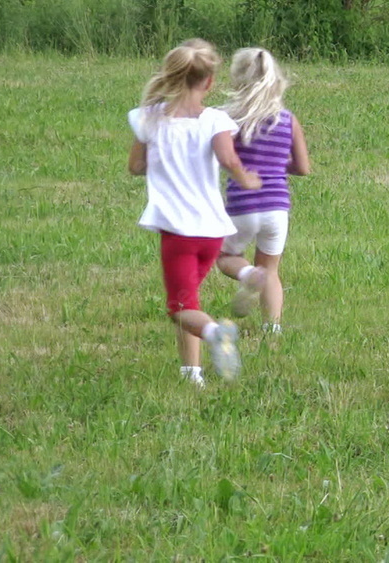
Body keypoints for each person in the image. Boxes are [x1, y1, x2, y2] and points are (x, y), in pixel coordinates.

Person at [127, 39, 262, 388]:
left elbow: (135, 167)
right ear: (209, 82)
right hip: (213, 232)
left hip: (178, 233)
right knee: (191, 300)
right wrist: (245, 177)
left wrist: (156, 158)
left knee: (179, 309)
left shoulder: (149, 118)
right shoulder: (216, 120)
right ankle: (192, 374)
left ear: (169, 76)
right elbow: (229, 160)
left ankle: (217, 334)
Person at [216, 47, 311, 335]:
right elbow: (303, 168)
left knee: (223, 256)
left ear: (238, 78)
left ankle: (247, 274)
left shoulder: (227, 117)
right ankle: (272, 329)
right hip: (276, 208)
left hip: (241, 206)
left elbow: (221, 156)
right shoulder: (288, 119)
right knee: (271, 270)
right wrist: (277, 166)